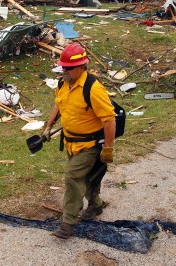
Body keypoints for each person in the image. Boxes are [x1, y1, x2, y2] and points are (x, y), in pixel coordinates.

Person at [41, 43, 116, 239]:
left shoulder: (93, 88)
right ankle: (96, 205)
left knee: (73, 177)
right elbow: (58, 105)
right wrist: (48, 127)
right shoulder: (62, 84)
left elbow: (109, 119)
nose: (64, 71)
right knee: (86, 177)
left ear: (81, 67)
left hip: (90, 145)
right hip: (70, 142)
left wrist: (108, 148)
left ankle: (68, 222)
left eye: (68, 68)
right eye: (63, 67)